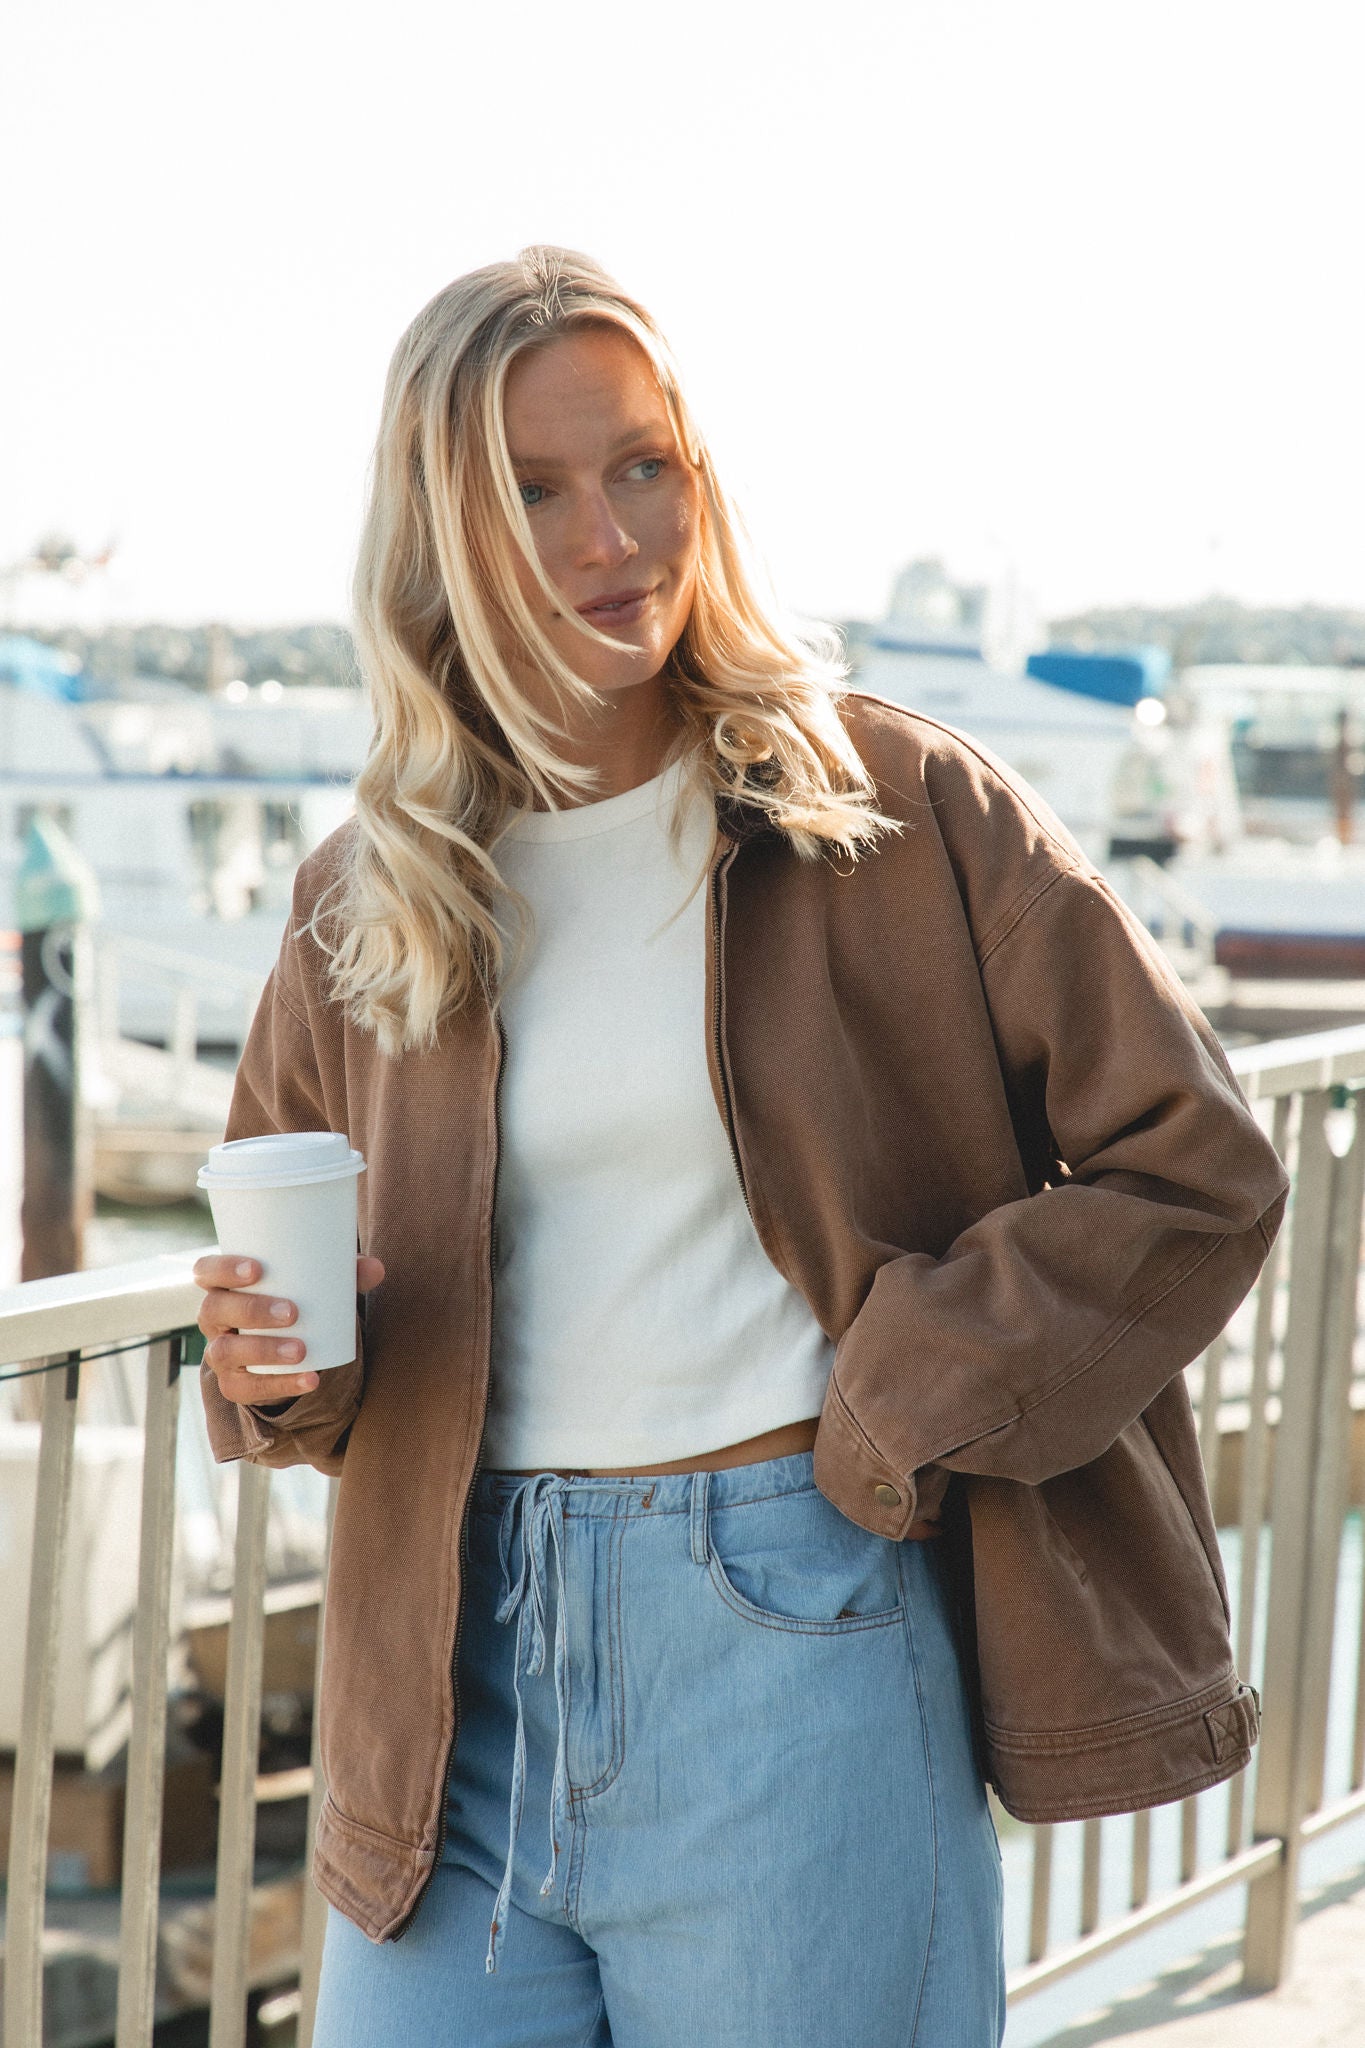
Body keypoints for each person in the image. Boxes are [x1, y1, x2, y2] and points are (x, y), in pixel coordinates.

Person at [196, 247, 1289, 2047]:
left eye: (644, 465)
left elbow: (1197, 1162)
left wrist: (909, 1391)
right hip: (444, 1681)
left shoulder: (892, 808)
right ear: (441, 536)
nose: (610, 534)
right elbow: (283, 1328)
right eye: (534, 491)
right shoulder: (363, 897)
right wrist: (269, 1369)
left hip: (793, 1633)